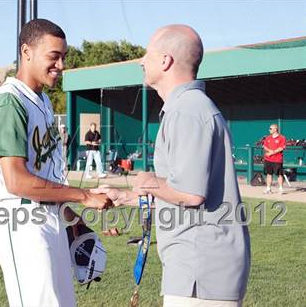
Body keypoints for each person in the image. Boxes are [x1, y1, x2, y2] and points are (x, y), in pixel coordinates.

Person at [94, 25, 250, 307]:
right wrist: (127, 197)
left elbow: (190, 194)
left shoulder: (188, 110)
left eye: (147, 54)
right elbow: (180, 194)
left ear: (165, 61)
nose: (141, 61)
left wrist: (144, 181)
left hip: (201, 271)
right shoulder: (187, 107)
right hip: (196, 268)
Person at [0, 19, 112, 307]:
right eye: (54, 56)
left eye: (63, 57)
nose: (61, 65)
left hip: (48, 218)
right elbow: (17, 181)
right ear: (27, 52)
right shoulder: (9, 102)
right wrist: (84, 196)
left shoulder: (43, 102)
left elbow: (45, 175)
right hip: (22, 221)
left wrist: (71, 217)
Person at [263, 124, 286, 194]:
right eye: (269, 128)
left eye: (270, 128)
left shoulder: (282, 138)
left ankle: (281, 189)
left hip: (277, 160)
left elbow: (281, 148)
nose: (269, 130)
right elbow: (264, 146)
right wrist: (270, 152)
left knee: (280, 174)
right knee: (269, 174)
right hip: (268, 159)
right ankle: (268, 189)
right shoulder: (268, 138)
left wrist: (271, 153)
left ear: (275, 129)